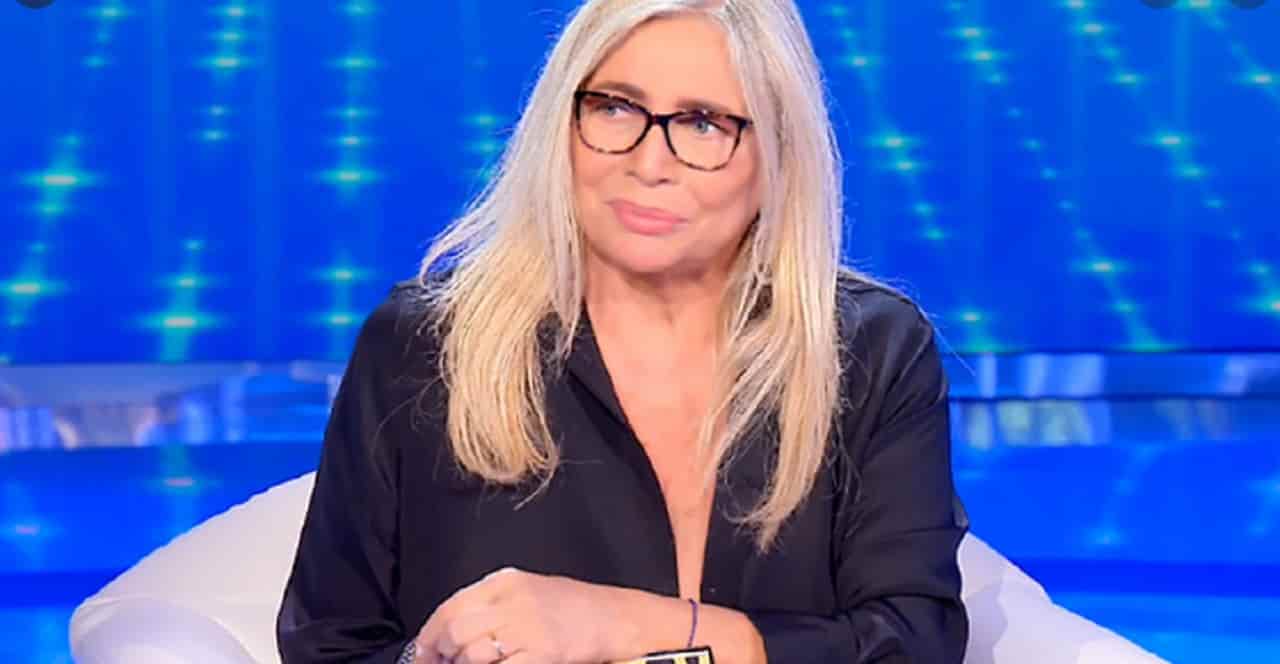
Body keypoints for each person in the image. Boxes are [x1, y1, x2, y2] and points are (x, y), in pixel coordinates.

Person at [276, 0, 970, 662]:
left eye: (703, 124)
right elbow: (330, 645)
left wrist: (620, 624)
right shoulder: (423, 348)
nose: (648, 164)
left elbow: (914, 641)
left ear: (778, 156)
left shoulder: (870, 353)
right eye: (614, 108)